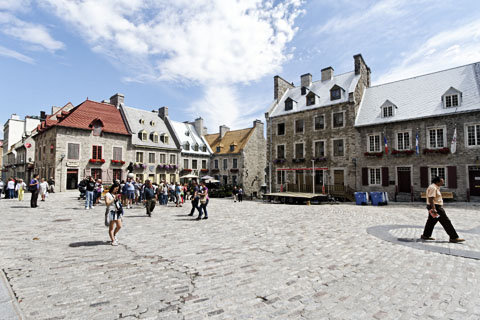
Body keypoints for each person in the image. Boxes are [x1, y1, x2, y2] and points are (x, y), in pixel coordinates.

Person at [421, 176, 465, 243]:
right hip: (436, 207)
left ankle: (426, 235)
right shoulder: (433, 188)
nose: (443, 182)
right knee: (446, 221)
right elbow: (431, 199)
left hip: (434, 206)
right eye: (442, 181)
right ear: (437, 182)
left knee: (431, 221)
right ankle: (453, 237)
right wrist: (434, 209)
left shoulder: (435, 187)